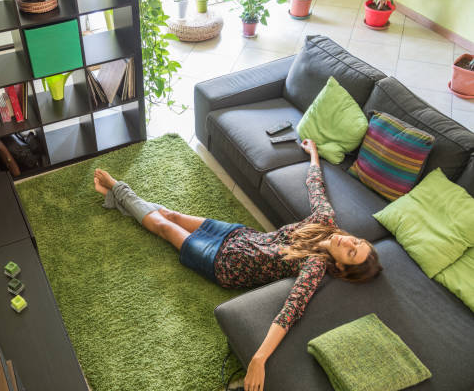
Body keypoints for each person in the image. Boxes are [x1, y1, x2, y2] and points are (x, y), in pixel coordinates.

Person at [93, 139, 383, 391]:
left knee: (164, 227)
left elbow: (291, 310)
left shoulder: (315, 268)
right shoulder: (326, 222)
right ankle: (116, 197)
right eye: (357, 243)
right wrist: (313, 154)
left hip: (224, 263)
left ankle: (118, 189)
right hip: (238, 235)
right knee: (171, 215)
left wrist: (259, 359)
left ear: (342, 268)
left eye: (351, 254)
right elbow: (316, 186)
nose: (349, 244)